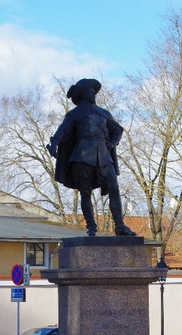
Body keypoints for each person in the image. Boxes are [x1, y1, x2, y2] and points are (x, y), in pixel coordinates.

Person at [47, 78, 136, 237]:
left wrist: (112, 143)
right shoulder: (75, 114)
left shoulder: (103, 113)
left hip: (102, 155)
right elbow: (61, 132)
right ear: (83, 93)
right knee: (85, 192)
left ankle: (120, 226)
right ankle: (91, 227)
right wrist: (53, 145)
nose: (94, 93)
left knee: (114, 187)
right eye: (91, 90)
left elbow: (118, 130)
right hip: (81, 156)